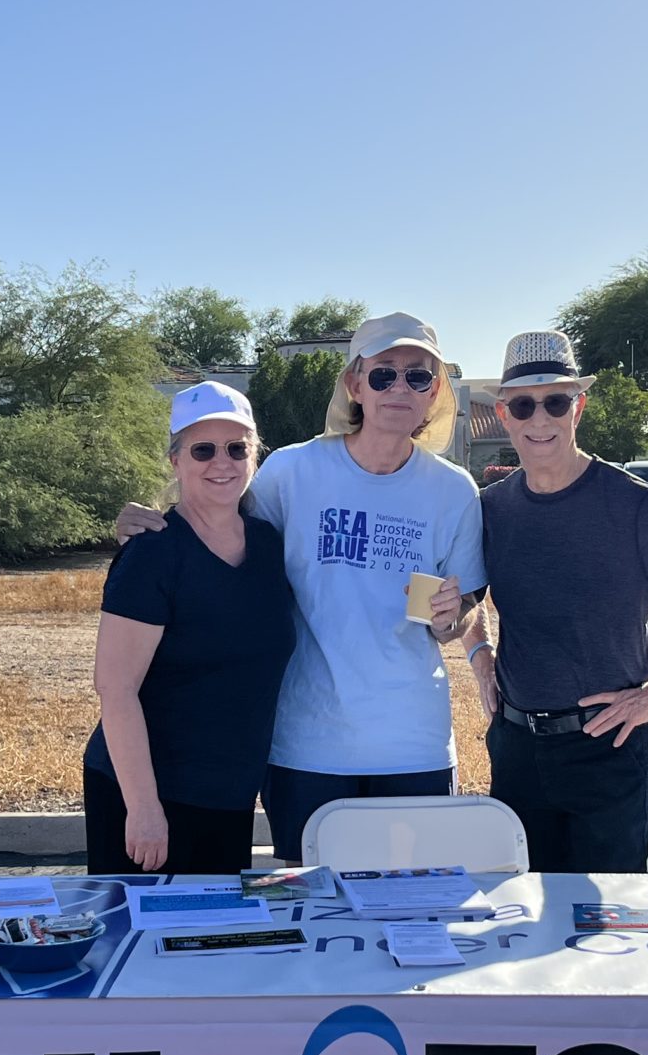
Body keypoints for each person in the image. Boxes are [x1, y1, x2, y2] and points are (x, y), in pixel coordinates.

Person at [117, 312, 485, 862]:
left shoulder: (454, 490)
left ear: (435, 392)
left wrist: (452, 619)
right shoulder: (291, 472)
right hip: (307, 746)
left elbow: (464, 611)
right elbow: (212, 522)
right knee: (312, 906)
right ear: (354, 384)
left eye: (418, 376)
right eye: (383, 373)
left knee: (412, 901)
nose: (400, 388)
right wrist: (146, 524)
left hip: (414, 744)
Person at [461, 329, 648, 873]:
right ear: (504, 415)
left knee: (610, 921)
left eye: (556, 402)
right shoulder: (490, 509)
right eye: (524, 405)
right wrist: (479, 655)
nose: (539, 419)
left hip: (610, 750)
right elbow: (466, 598)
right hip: (516, 750)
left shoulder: (632, 506)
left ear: (577, 407)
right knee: (520, 914)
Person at [82, 382, 296, 874]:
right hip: (151, 798)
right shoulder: (153, 553)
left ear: (254, 457)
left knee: (217, 922)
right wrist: (144, 809)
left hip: (229, 795)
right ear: (175, 460)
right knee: (143, 924)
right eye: (203, 449)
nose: (222, 462)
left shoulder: (268, 544)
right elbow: (115, 688)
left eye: (236, 448)